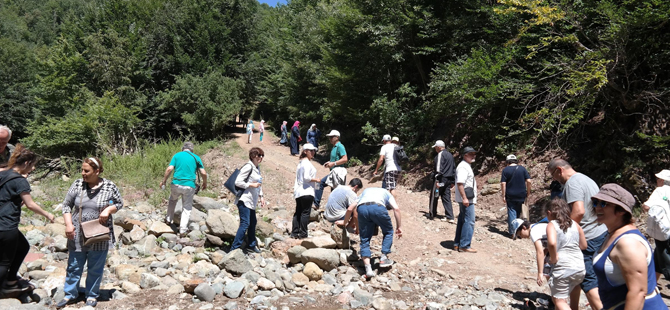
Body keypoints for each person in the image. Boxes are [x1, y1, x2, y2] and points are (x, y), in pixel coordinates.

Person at [58, 157, 123, 308]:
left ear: (97, 171)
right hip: (77, 233)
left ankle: (92, 295)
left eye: (86, 171)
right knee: (74, 265)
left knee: (95, 266)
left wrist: (108, 209)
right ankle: (70, 294)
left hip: (99, 233)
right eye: (82, 170)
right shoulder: (77, 184)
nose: (83, 173)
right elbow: (66, 205)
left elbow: (119, 203)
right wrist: (68, 224)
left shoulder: (109, 186)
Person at [591, 184, 666, 309]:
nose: (597, 207)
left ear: (621, 210)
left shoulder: (628, 243)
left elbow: (638, 292)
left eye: (604, 203)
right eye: (595, 202)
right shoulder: (612, 235)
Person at [548, 158, 606, 310]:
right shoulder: (587, 179)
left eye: (553, 175)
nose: (555, 180)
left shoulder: (572, 183)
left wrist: (565, 231)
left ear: (559, 170)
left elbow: (579, 211)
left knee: (588, 280)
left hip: (588, 236)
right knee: (582, 277)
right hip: (600, 232)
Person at [0, 145, 55, 297]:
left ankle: (11, 280)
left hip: (3, 224)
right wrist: (48, 215)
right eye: (32, 164)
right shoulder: (20, 181)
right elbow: (30, 204)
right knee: (4, 262)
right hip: (6, 225)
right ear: (26, 163)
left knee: (23, 246)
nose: (33, 168)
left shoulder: (4, 173)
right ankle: (2, 290)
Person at [345, 187, 402, 279]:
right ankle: (383, 258)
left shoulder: (365, 192)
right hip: (378, 208)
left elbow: (350, 208)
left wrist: (345, 223)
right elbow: (396, 209)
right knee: (388, 231)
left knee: (364, 239)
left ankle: (368, 270)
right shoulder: (387, 193)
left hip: (362, 209)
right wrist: (398, 227)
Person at [546, 198, 587, 310]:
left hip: (563, 267)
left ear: (549, 213)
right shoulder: (575, 224)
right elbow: (584, 245)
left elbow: (552, 243)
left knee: (559, 300)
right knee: (574, 289)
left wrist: (554, 258)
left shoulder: (552, 224)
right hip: (579, 267)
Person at [160, 142, 208, 237]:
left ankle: (168, 220)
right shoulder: (196, 157)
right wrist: (205, 182)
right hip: (189, 185)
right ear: (192, 149)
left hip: (176, 184)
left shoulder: (177, 155)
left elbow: (169, 169)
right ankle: (182, 230)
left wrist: (164, 181)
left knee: (172, 200)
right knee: (186, 207)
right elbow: (203, 172)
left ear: (183, 148)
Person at [231, 147, 265, 253]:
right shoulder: (248, 166)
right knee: (245, 223)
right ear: (253, 156)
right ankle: (234, 248)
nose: (261, 158)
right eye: (259, 155)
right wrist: (251, 184)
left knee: (253, 222)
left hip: (252, 200)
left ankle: (251, 245)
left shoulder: (257, 168)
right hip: (244, 199)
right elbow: (238, 181)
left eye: (262, 156)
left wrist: (261, 196)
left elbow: (259, 184)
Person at [641, 169, 670, 282]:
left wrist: (644, 206)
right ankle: (651, 283)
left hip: (663, 229)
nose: (657, 180)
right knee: (658, 256)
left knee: (665, 258)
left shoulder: (660, 190)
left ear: (662, 180)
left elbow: (647, 206)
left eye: (658, 178)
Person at [314, 130, 348, 208]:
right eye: (330, 137)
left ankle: (316, 203)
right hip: (333, 172)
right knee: (334, 192)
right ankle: (333, 209)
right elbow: (336, 159)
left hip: (338, 172)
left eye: (331, 137)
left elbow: (345, 159)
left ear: (337, 137)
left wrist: (333, 163)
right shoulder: (334, 147)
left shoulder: (340, 146)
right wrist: (330, 162)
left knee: (320, 183)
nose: (330, 139)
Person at [291, 144, 319, 239]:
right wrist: (316, 180)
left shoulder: (301, 163)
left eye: (313, 150)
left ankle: (294, 232)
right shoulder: (306, 163)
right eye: (310, 150)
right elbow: (307, 178)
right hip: (307, 190)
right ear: (305, 151)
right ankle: (303, 233)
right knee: (305, 213)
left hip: (299, 191)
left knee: (298, 212)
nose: (313, 152)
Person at [512, 217, 550, 288]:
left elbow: (539, 252)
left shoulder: (533, 231)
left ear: (524, 228)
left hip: (560, 248)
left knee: (548, 271)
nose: (521, 237)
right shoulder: (537, 227)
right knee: (548, 269)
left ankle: (555, 297)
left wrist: (539, 273)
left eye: (519, 234)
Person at [454, 147, 478, 253]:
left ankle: (457, 243)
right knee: (470, 221)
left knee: (463, 220)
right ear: (465, 155)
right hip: (466, 199)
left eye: (474, 154)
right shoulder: (463, 167)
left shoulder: (465, 166)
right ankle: (464, 245)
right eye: (470, 154)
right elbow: (460, 183)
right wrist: (464, 198)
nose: (473, 156)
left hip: (466, 198)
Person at [501, 154, 532, 235]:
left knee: (512, 212)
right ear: (516, 161)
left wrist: (503, 195)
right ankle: (518, 231)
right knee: (518, 212)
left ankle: (512, 232)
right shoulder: (522, 169)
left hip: (510, 195)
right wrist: (528, 191)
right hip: (521, 194)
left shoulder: (505, 170)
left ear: (507, 162)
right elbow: (529, 181)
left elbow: (503, 184)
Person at [429, 140, 455, 222]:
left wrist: (437, 180)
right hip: (448, 180)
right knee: (446, 197)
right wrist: (453, 181)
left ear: (439, 147)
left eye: (436, 147)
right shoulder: (450, 155)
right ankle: (450, 217)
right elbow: (453, 168)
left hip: (440, 179)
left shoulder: (440, 155)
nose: (435, 149)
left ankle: (432, 213)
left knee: (434, 195)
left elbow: (438, 169)